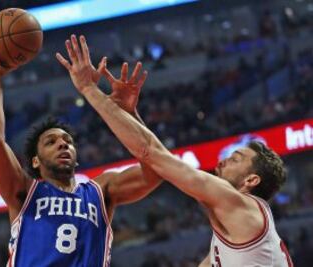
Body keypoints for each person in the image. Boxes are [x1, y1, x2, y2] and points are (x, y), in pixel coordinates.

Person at [56, 34, 295, 267]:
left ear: (251, 179)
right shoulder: (233, 230)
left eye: (235, 158)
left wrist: (89, 89)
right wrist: (129, 114)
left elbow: (152, 153)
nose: (221, 162)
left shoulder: (240, 205)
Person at [0, 30, 161, 267]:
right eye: (51, 142)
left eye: (67, 141)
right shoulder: (24, 190)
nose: (63, 143)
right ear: (35, 161)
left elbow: (157, 169)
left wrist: (129, 114)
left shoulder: (100, 191)